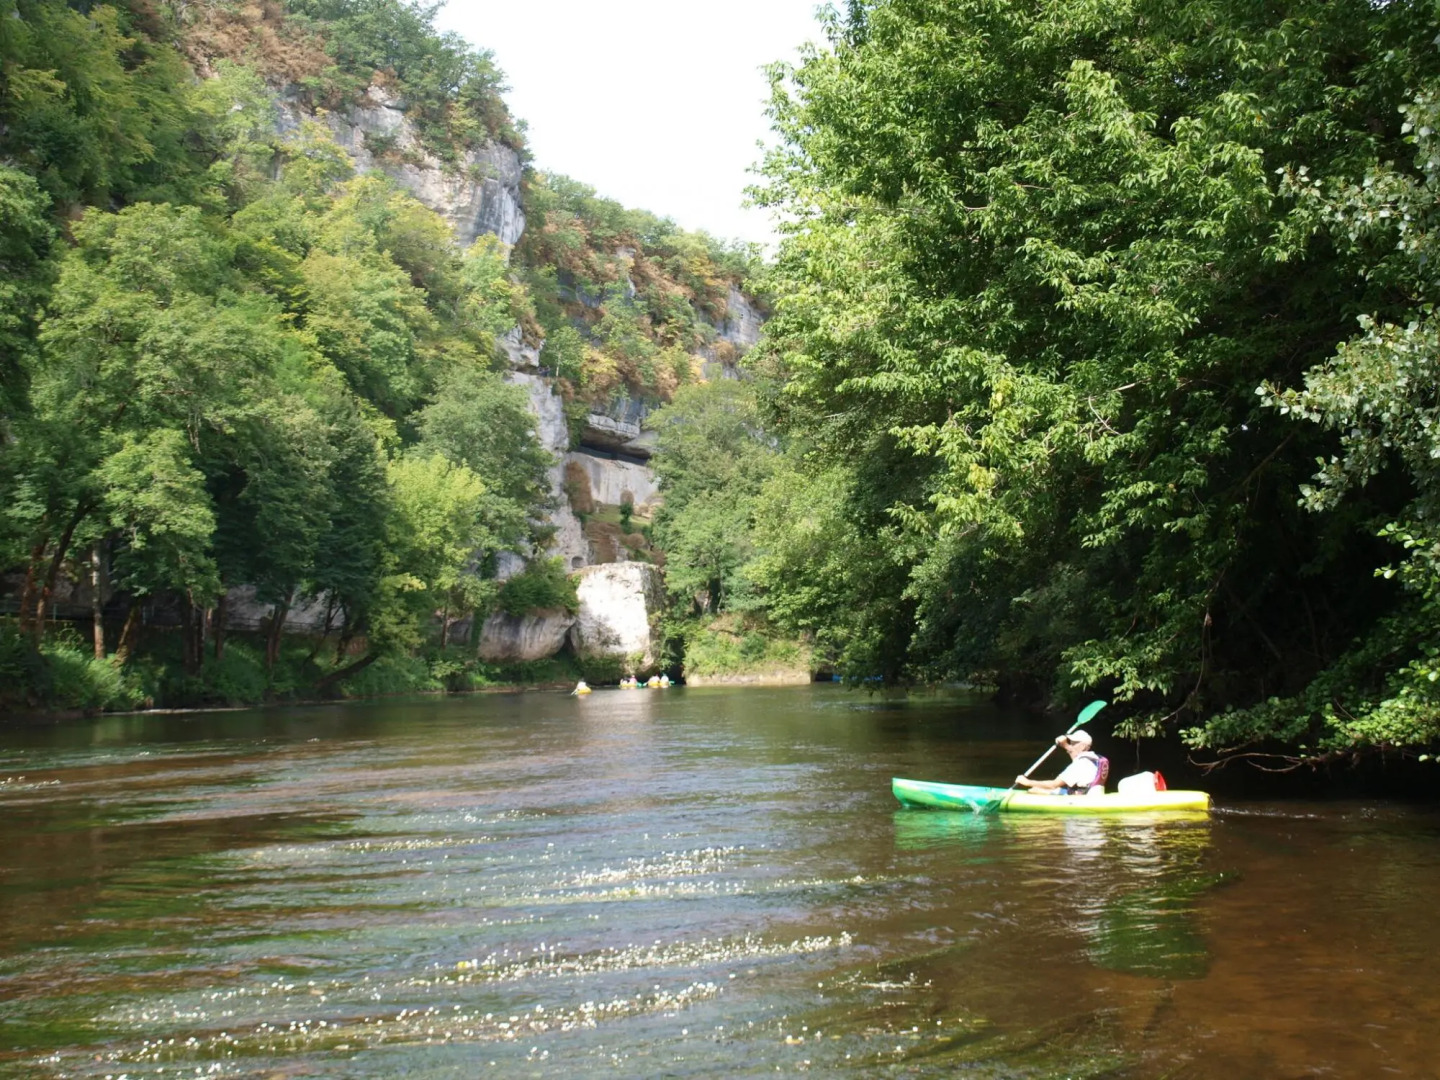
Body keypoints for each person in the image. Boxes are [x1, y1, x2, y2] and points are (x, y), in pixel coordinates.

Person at [1014, 729, 1108, 794]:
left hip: (1079, 798)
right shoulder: (1095, 758)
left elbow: (1053, 785)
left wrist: (1027, 782)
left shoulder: (1079, 765)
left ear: (1083, 746)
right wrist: (1065, 745)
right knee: (1039, 789)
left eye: (1073, 743)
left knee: (1034, 790)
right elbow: (1076, 758)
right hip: (1092, 794)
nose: (1070, 745)